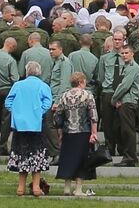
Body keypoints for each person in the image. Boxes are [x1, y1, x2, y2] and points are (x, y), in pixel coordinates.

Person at [6, 60, 54, 197]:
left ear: (26, 72)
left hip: (20, 125)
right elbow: (48, 102)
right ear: (39, 72)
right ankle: (36, 187)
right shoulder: (43, 86)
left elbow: (8, 101)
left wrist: (16, 111)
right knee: (37, 156)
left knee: (21, 155)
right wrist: (40, 112)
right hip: (36, 125)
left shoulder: (17, 85)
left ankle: (20, 188)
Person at [53, 70, 100, 198]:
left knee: (67, 159)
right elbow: (93, 116)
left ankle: (67, 187)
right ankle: (78, 189)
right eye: (84, 81)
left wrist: (60, 133)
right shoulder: (87, 95)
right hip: (83, 132)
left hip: (68, 132)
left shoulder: (64, 96)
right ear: (81, 82)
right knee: (82, 160)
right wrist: (94, 133)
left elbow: (58, 117)